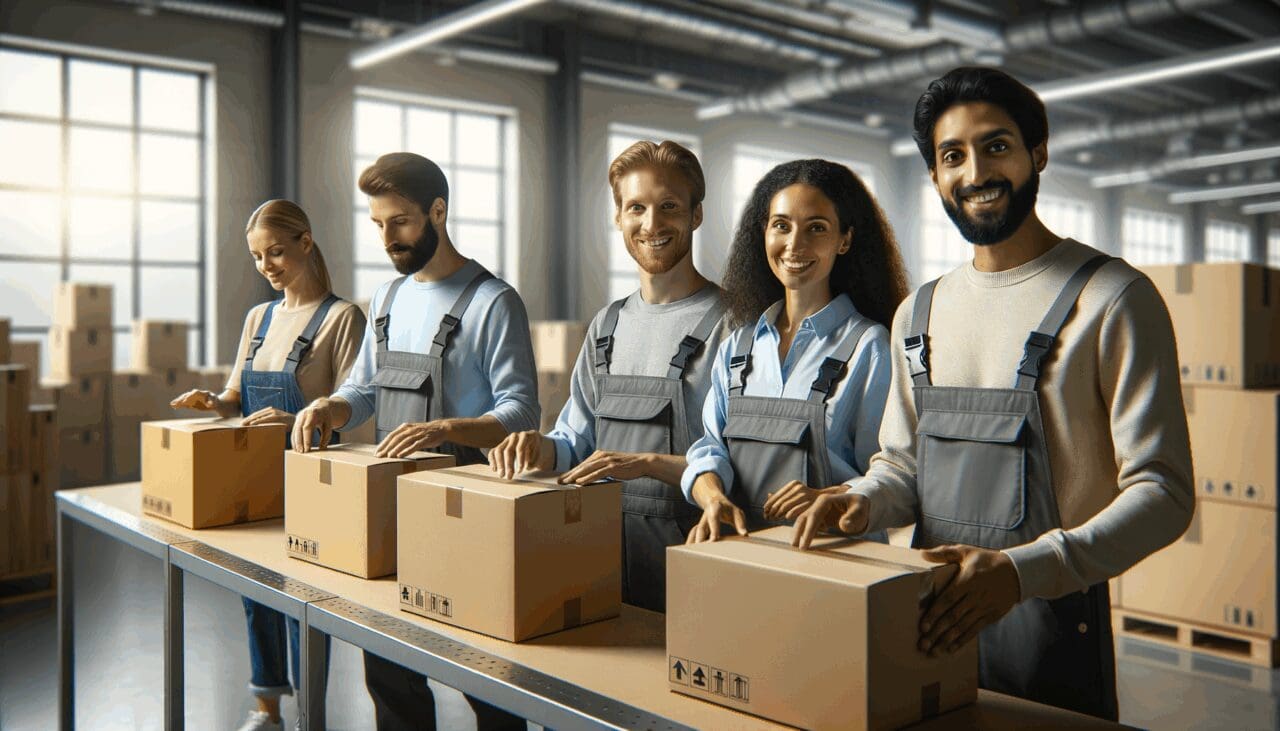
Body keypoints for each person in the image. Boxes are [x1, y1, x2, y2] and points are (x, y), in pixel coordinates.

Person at [792, 67, 1195, 720]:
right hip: (921, 630)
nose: (975, 171)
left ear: (1038, 153)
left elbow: (1164, 492)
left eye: (996, 146)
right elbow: (902, 468)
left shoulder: (1113, 299)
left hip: (1052, 640)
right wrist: (860, 501)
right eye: (953, 155)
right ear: (935, 177)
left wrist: (1019, 571)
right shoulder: (917, 314)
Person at [292, 152, 539, 731]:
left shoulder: (493, 302)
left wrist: (447, 428)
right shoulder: (387, 299)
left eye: (400, 221)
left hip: (469, 515)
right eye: (378, 224)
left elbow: (522, 411)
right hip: (391, 508)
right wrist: (333, 404)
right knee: (389, 675)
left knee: (490, 681)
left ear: (438, 211)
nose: (388, 238)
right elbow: (365, 388)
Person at [488, 140, 729, 612]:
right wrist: (539, 447)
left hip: (697, 568)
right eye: (635, 207)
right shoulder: (607, 325)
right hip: (600, 566)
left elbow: (737, 465)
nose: (652, 224)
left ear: (696, 215)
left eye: (669, 207)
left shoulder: (732, 325)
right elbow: (575, 444)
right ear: (618, 217)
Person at [170, 199, 365, 731]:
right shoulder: (259, 317)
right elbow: (236, 396)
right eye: (257, 258)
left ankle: (310, 714)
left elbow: (355, 411)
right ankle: (267, 707)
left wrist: (298, 416)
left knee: (303, 601)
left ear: (306, 243)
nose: (267, 267)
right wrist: (212, 401)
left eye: (276, 252)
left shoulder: (342, 318)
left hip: (311, 477)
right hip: (252, 476)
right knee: (255, 592)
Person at [682, 159, 909, 543]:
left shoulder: (870, 348)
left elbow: (891, 475)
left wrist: (827, 497)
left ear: (845, 240)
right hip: (744, 556)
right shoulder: (737, 348)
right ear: (764, 233)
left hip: (837, 564)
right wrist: (713, 496)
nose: (794, 245)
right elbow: (709, 449)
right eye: (781, 226)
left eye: (816, 228)